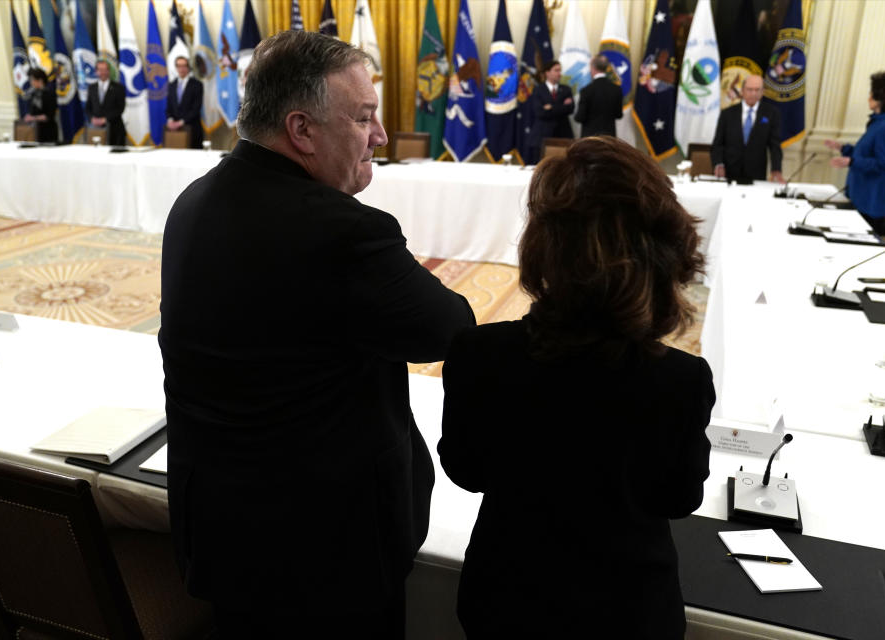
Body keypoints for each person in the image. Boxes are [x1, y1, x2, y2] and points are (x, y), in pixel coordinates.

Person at [159, 30, 475, 637]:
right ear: (302, 131)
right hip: (330, 560)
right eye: (364, 118)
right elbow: (451, 329)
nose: (379, 136)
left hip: (222, 537)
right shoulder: (343, 232)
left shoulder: (191, 203)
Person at [439, 136, 715, 639]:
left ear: (542, 244)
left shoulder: (479, 354)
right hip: (628, 614)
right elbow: (677, 499)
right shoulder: (680, 380)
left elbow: (466, 470)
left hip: (505, 601)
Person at [825, 71, 885, 235]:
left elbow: (882, 164)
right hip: (859, 195)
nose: (869, 96)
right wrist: (843, 148)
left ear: (884, 98)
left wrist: (851, 162)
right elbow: (867, 153)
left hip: (869, 203)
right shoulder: (879, 121)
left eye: (873, 92)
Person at [710, 74, 784, 183]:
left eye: (757, 90)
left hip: (756, 175)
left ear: (762, 91)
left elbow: (775, 145)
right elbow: (718, 144)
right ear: (742, 91)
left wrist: (776, 170)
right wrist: (718, 164)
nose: (753, 93)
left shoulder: (771, 114)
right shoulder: (727, 114)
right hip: (729, 174)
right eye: (750, 90)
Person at [530, 60, 574, 158]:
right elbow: (539, 112)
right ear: (547, 73)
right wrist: (561, 106)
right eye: (556, 70)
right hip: (542, 136)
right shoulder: (538, 90)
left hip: (563, 135)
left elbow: (570, 109)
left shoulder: (566, 89)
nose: (559, 73)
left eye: (560, 70)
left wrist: (550, 107)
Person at [574, 55, 623, 138]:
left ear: (593, 68)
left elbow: (580, 117)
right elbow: (619, 115)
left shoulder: (586, 90)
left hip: (590, 138)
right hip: (609, 138)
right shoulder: (616, 89)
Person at [165, 55, 204, 149]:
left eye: (184, 66)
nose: (182, 69)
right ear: (176, 68)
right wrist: (170, 120)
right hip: (175, 132)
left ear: (188, 67)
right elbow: (169, 107)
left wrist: (181, 122)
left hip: (192, 130)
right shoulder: (171, 85)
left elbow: (196, 108)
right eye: (179, 66)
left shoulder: (197, 85)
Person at [85, 59, 126, 146]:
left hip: (115, 130)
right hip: (96, 130)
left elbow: (120, 109)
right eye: (100, 70)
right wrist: (92, 118)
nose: (103, 72)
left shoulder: (119, 88)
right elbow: (88, 107)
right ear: (96, 72)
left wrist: (105, 119)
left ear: (109, 71)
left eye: (105, 70)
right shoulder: (91, 88)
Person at [24, 68, 57, 143]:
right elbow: (33, 111)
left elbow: (49, 115)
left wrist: (33, 118)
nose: (31, 83)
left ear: (40, 80)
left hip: (48, 130)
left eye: (32, 80)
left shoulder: (49, 94)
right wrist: (29, 116)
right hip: (35, 130)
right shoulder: (33, 94)